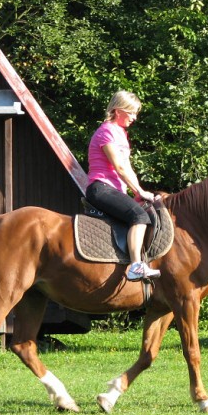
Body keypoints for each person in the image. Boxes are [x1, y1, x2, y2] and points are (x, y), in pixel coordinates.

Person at [86, 90, 160, 281]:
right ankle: (136, 266)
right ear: (119, 111)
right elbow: (118, 166)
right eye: (132, 113)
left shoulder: (120, 133)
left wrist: (138, 193)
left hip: (114, 189)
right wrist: (140, 191)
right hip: (101, 188)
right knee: (139, 216)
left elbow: (128, 168)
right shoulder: (106, 131)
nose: (134, 118)